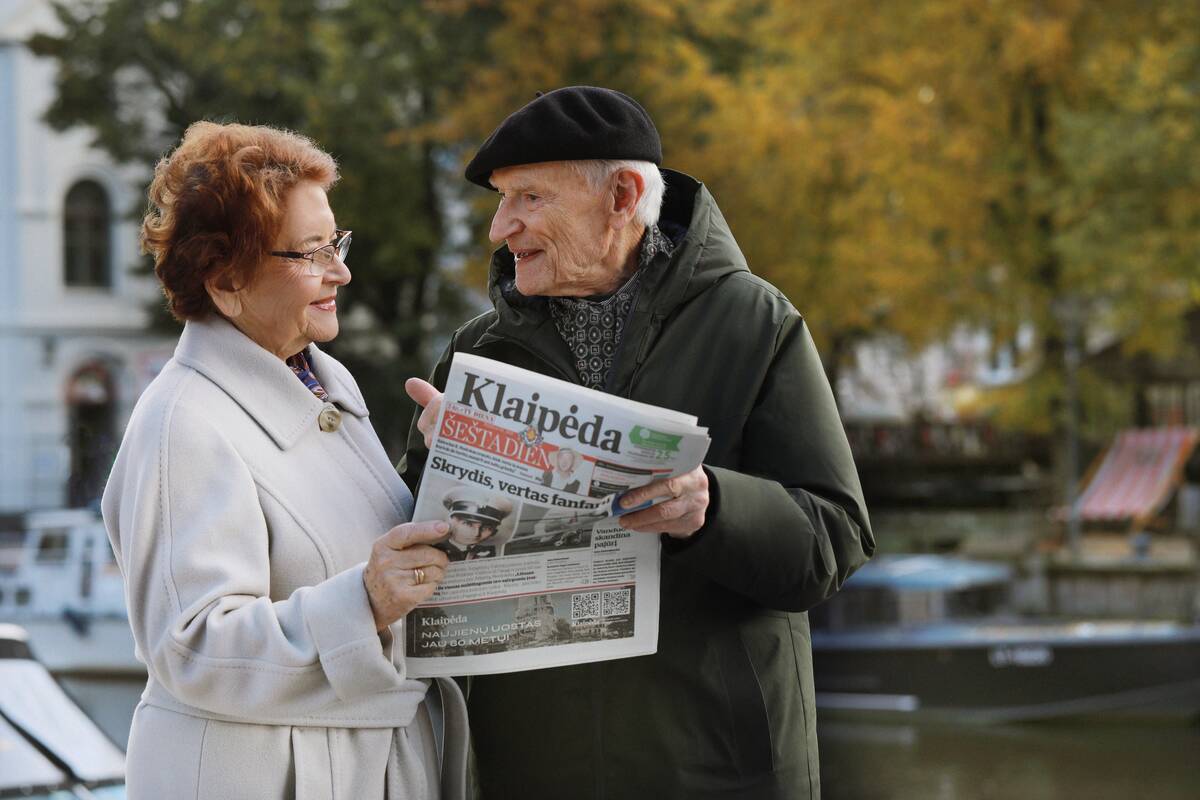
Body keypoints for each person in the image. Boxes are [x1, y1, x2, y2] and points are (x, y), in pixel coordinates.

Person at [399, 87, 874, 799]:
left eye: (528, 198)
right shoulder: (478, 353)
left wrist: (713, 508)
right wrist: (444, 468)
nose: (502, 226)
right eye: (500, 201)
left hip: (716, 768)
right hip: (531, 770)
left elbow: (832, 543)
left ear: (621, 196)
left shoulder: (755, 322)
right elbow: (410, 558)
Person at [101, 121, 467, 800]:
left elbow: (357, 547)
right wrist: (364, 602)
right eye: (310, 253)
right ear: (226, 277)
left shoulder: (323, 380)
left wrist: (461, 469)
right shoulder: (181, 423)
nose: (342, 271)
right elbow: (190, 647)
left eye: (338, 242)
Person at [438, 487, 513, 560]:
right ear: (451, 521)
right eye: (468, 524)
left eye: (486, 528)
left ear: (494, 531)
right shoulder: (436, 546)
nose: (476, 534)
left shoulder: (488, 551)